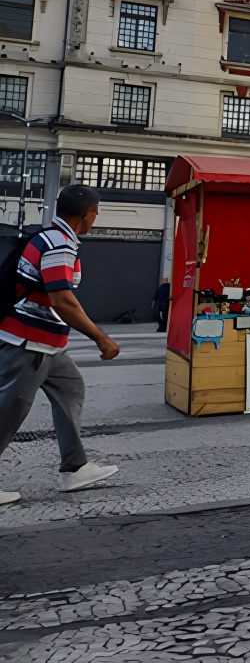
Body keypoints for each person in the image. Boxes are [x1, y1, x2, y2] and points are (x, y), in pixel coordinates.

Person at [0, 184, 122, 505]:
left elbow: (60, 299)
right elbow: (62, 299)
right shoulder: (59, 244)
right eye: (96, 212)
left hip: (48, 343)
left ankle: (75, 467)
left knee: (70, 389)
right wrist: (101, 337)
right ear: (88, 214)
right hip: (29, 342)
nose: (96, 217)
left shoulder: (53, 237)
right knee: (9, 410)